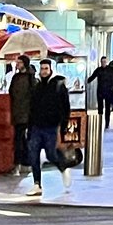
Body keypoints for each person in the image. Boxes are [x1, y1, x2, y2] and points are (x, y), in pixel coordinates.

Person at [26, 56, 70, 196]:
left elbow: (65, 107)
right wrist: (29, 125)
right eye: (42, 69)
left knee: (51, 155)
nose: (44, 71)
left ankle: (63, 166)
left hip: (51, 126)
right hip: (36, 127)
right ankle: (37, 184)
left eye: (46, 68)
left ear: (51, 70)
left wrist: (63, 125)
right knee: (34, 155)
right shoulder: (37, 87)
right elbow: (31, 107)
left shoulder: (58, 85)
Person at [7, 58, 37, 175]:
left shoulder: (30, 79)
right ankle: (24, 163)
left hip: (26, 114)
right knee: (20, 139)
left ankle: (20, 164)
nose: (17, 64)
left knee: (21, 139)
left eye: (19, 62)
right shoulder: (16, 77)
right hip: (18, 113)